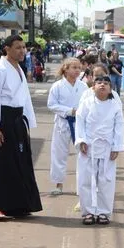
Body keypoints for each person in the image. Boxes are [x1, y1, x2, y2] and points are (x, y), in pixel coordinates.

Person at [0, 35, 42, 221]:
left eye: (23, 47)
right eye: (17, 47)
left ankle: (18, 205)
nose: (22, 51)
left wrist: (28, 121)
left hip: (17, 119)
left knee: (20, 162)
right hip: (2, 119)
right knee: (0, 163)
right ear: (6, 49)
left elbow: (24, 98)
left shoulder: (19, 69)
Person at [75, 75, 124, 226]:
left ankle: (103, 212)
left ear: (111, 88)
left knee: (106, 181)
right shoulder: (86, 103)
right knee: (85, 180)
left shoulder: (115, 105)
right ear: (93, 87)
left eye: (106, 83)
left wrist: (116, 146)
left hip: (107, 147)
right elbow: (80, 122)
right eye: (99, 82)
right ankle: (88, 212)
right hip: (89, 146)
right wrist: (81, 140)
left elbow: (119, 127)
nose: (102, 85)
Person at [47, 58, 86, 196]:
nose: (77, 70)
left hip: (79, 124)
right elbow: (51, 105)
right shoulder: (57, 86)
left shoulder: (83, 87)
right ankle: (58, 184)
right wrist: (69, 111)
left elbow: (88, 105)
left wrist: (80, 112)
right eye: (74, 67)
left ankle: (82, 185)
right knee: (59, 154)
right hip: (62, 123)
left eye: (79, 68)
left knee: (83, 154)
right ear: (66, 68)